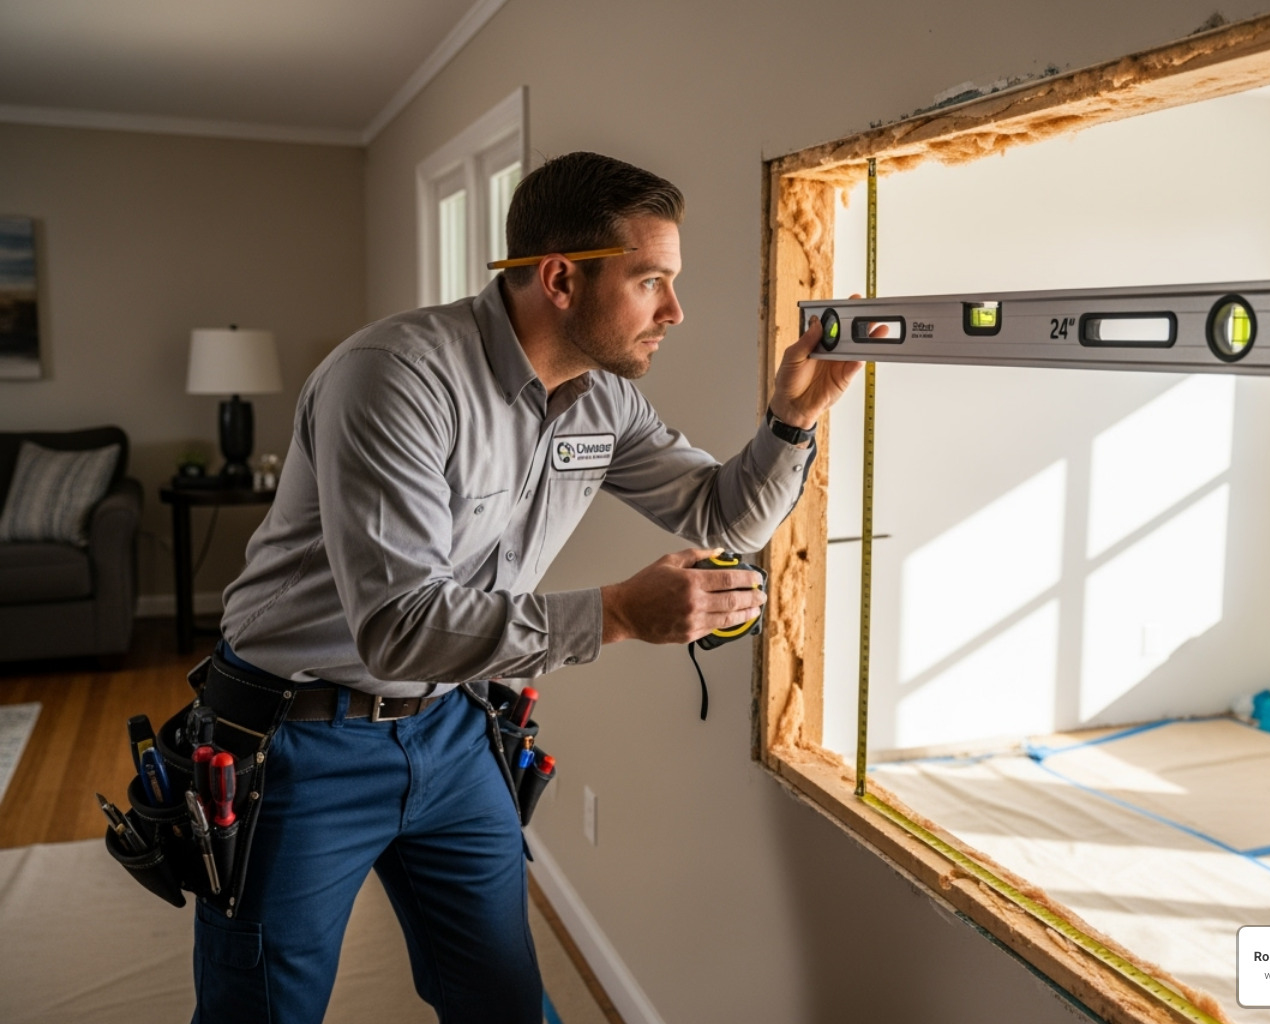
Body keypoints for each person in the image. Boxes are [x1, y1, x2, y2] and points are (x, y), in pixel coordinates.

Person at [193, 151, 861, 1023]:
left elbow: (722, 514)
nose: (674, 311)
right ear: (560, 279)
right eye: (651, 281)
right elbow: (398, 628)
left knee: (505, 1000)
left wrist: (793, 418)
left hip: (451, 728)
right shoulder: (395, 377)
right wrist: (617, 613)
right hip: (298, 737)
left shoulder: (601, 401)